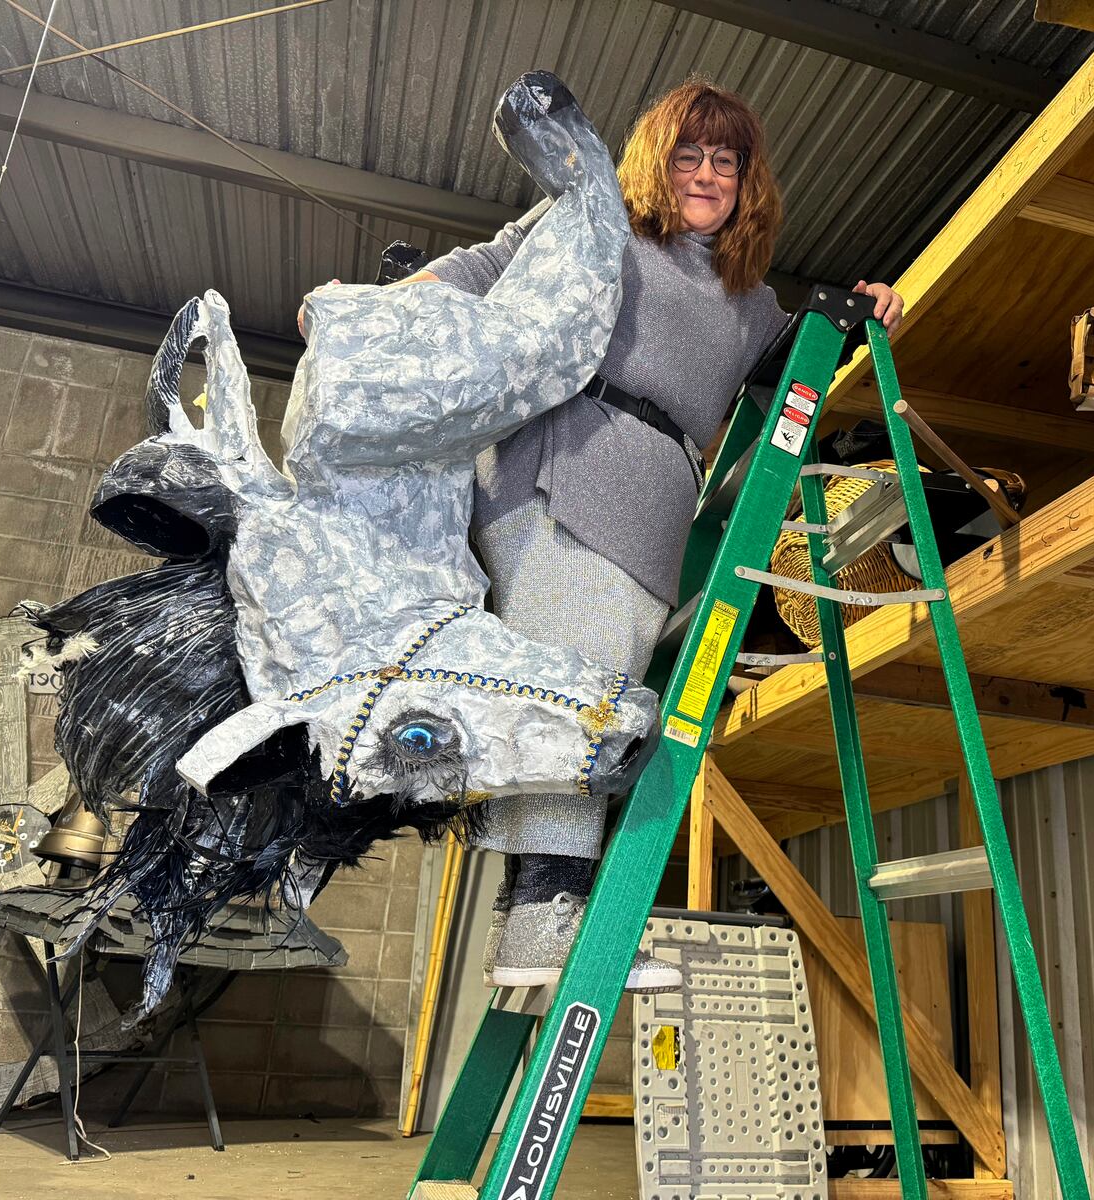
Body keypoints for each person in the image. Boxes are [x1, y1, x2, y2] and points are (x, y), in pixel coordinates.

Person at [300, 77, 902, 992]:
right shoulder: (601, 231)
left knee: (596, 689)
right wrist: (368, 311)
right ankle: (543, 925)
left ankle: (539, 917)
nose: (706, 173)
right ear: (656, 163)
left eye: (725, 161)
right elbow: (479, 271)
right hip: (569, 463)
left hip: (654, 495)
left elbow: (799, 363)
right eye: (689, 154)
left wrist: (874, 310)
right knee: (578, 683)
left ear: (748, 182)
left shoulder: (748, 302)